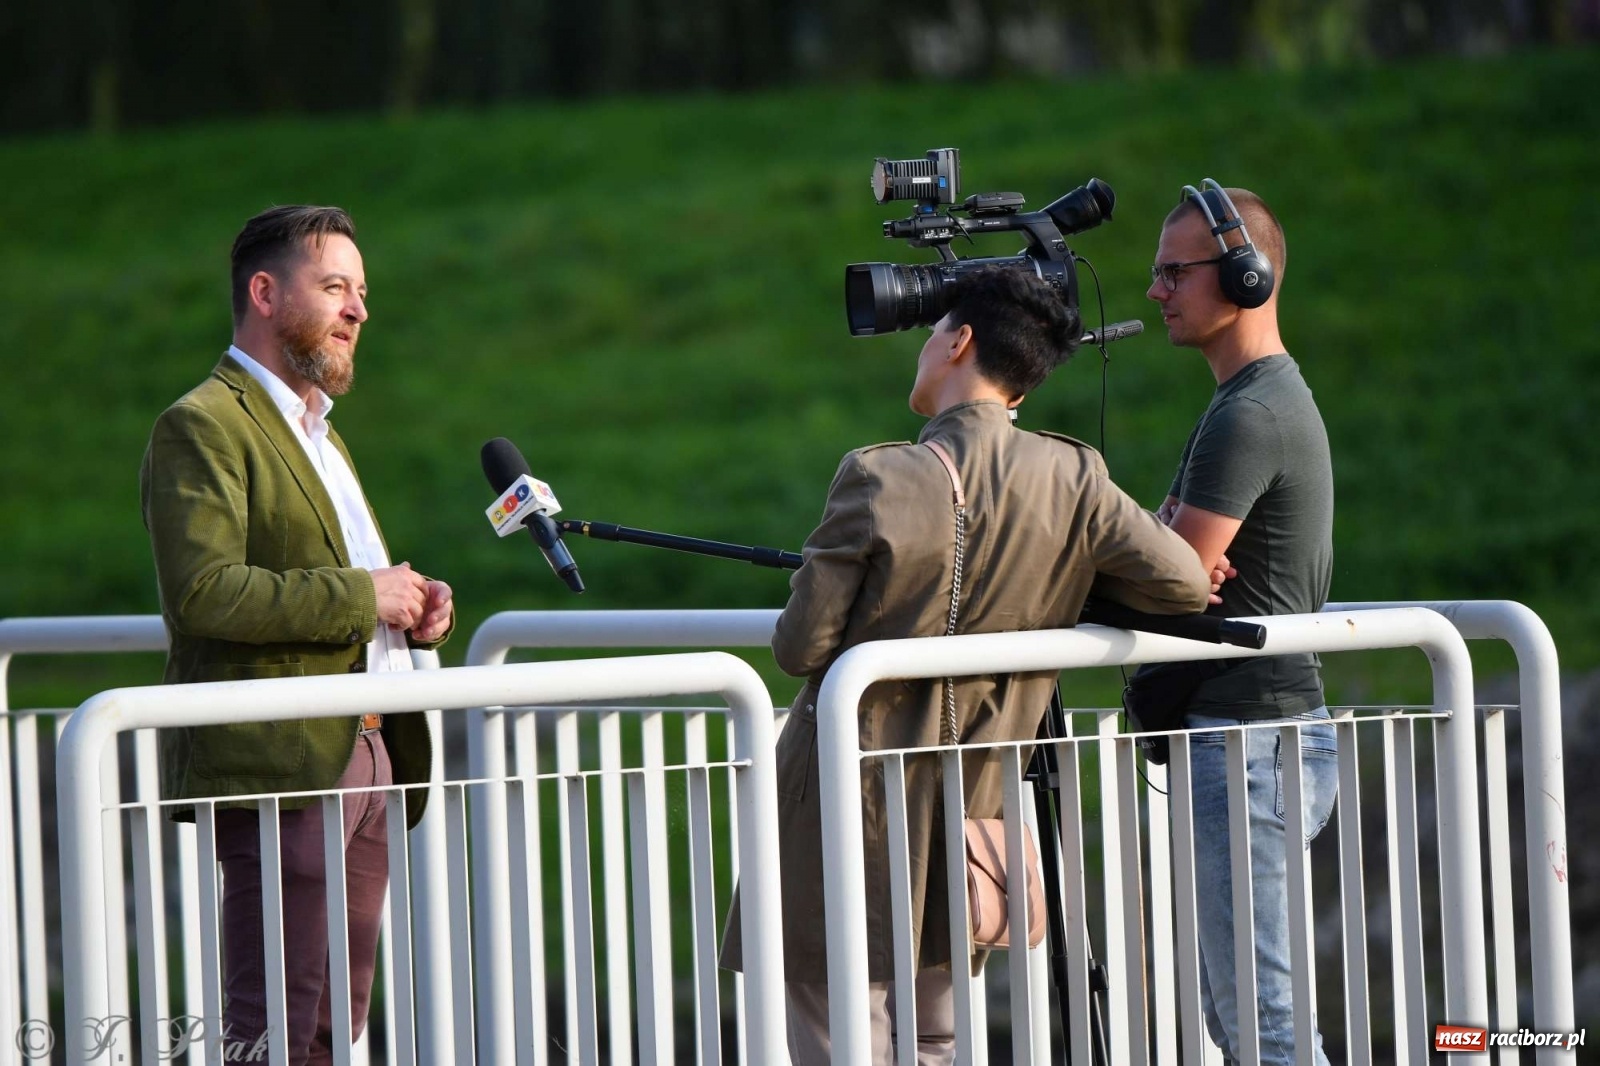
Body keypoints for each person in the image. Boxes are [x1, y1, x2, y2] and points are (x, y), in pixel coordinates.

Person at [723, 266, 1212, 1064]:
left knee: (832, 1028)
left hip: (847, 803)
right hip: (972, 806)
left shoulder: (879, 476)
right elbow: (1185, 580)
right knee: (937, 1039)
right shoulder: (1075, 476)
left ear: (958, 341)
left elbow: (798, 647)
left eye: (931, 330)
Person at [140, 205, 453, 1063]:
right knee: (275, 1025)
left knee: (335, 1028)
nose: (359, 310)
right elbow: (205, 593)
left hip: (371, 747)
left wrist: (415, 607)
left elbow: (346, 587)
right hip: (286, 761)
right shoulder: (201, 424)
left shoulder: (319, 433)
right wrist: (364, 594)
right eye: (336, 287)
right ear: (266, 292)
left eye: (361, 292)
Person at [1143, 181, 1338, 1064]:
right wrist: (1165, 551)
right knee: (1244, 1020)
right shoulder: (1249, 400)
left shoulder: (1251, 414)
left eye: (1173, 272)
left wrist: (1162, 554)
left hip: (1246, 742)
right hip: (1252, 736)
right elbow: (1177, 561)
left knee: (1263, 1026)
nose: (1156, 292)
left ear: (1247, 277)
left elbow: (1169, 580)